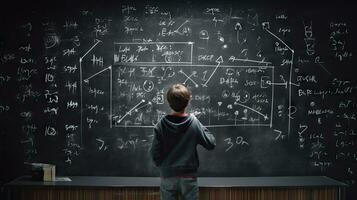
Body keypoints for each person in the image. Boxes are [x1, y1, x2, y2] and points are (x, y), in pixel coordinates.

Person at [150, 83, 216, 200]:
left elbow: (154, 153)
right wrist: (199, 124)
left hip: (168, 176)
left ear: (168, 101)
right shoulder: (194, 123)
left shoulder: (161, 125)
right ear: (188, 101)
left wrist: (164, 166)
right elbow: (211, 143)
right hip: (188, 176)